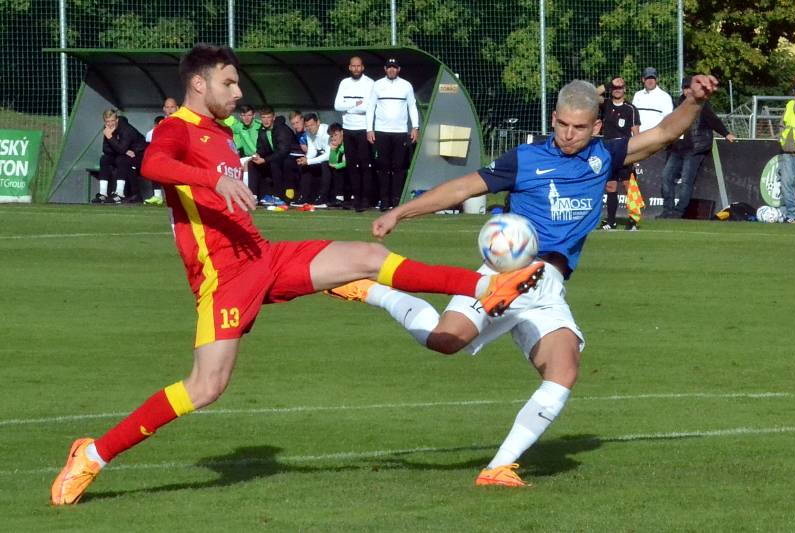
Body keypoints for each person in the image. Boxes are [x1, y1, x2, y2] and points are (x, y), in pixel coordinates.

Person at [50, 43, 545, 506]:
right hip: (224, 279)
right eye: (228, 83)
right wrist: (214, 178)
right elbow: (155, 164)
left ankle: (486, 285)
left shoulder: (221, 132)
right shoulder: (177, 128)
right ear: (199, 85)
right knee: (205, 388)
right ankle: (93, 454)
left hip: (262, 255)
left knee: (369, 255)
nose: (239, 92)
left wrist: (224, 178)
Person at [327, 75, 720, 487]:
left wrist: (694, 100)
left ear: (596, 127)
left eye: (580, 127)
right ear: (554, 118)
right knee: (444, 341)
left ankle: (498, 468)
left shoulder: (605, 156)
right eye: (563, 124)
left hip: (549, 286)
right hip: (506, 276)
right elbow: (463, 186)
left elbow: (663, 133)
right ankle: (377, 292)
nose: (569, 134)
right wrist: (399, 213)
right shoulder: (525, 158)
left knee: (564, 368)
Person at [658, 77, 736, 219]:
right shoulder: (677, 103)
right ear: (682, 89)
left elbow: (713, 120)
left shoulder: (701, 104)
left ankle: (678, 212)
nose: (688, 91)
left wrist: (726, 134)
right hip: (677, 148)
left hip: (695, 147)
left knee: (686, 180)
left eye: (690, 88)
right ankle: (667, 210)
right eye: (685, 88)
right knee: (666, 177)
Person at [365, 58, 419, 211]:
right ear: (385, 69)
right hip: (381, 132)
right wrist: (369, 129)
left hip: (400, 132)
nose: (391, 70)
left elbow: (412, 107)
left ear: (399, 69)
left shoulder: (406, 85)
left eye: (394, 68)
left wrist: (415, 127)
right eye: (389, 68)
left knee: (398, 167)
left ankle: (396, 200)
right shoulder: (378, 85)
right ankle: (384, 200)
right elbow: (371, 107)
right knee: (382, 167)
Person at [597, 77, 640, 230]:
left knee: (629, 185)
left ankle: (633, 221)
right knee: (610, 186)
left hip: (625, 149)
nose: (617, 90)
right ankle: (611, 221)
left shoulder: (631, 108)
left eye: (620, 87)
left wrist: (637, 153)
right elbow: (593, 95)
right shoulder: (606, 104)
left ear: (625, 89)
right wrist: (609, 83)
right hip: (608, 149)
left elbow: (636, 133)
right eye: (615, 88)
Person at [334, 55, 375, 212]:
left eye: (359, 66)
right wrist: (355, 103)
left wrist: (349, 106)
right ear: (349, 67)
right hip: (348, 129)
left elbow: (368, 107)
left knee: (365, 165)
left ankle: (366, 199)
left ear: (362, 67)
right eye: (353, 66)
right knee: (351, 165)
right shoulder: (344, 83)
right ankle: (355, 197)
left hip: (363, 129)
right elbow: (337, 105)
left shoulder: (370, 83)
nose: (356, 68)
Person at [91, 109, 147, 204]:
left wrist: (110, 137)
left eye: (112, 121)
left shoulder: (126, 129)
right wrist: (124, 150)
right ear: (104, 122)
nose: (110, 124)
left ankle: (120, 194)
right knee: (104, 159)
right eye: (107, 122)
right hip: (123, 154)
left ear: (116, 120)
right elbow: (105, 149)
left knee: (122, 159)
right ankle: (103, 194)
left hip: (139, 155)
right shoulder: (107, 129)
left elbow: (121, 149)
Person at [248, 106, 294, 206]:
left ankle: (278, 196)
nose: (266, 120)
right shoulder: (262, 130)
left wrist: (264, 160)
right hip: (274, 158)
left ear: (274, 117)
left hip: (290, 159)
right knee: (252, 163)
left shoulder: (282, 129)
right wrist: (257, 155)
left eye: (268, 117)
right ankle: (254, 196)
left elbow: (283, 151)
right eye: (263, 117)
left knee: (274, 162)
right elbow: (261, 148)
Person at [143, 97, 180, 206]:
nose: (170, 109)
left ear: (177, 108)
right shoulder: (161, 124)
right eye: (167, 107)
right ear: (164, 109)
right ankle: (158, 196)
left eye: (172, 107)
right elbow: (150, 137)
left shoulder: (183, 121)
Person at [296, 113, 332, 208]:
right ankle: (304, 197)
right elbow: (312, 150)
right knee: (304, 166)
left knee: (325, 164)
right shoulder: (308, 132)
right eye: (307, 126)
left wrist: (309, 161)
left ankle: (323, 198)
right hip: (321, 155)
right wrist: (306, 159)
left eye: (312, 125)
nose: (310, 128)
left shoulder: (327, 131)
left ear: (318, 122)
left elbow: (328, 155)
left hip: (333, 157)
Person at [778, 77, 795, 223]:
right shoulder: (790, 105)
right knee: (786, 185)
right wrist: (781, 140)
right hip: (787, 153)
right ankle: (792, 215)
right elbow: (782, 125)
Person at [632, 67, 674, 132]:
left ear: (656, 80)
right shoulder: (637, 95)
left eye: (653, 78)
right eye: (648, 78)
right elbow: (633, 117)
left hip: (657, 138)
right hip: (638, 138)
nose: (650, 81)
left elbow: (668, 120)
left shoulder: (665, 97)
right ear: (643, 79)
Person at [327, 122, 349, 208]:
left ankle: (351, 198)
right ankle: (339, 198)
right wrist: (333, 150)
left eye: (336, 135)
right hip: (344, 164)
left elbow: (348, 161)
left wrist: (337, 166)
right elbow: (332, 162)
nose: (334, 138)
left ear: (342, 132)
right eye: (332, 136)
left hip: (355, 165)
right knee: (335, 170)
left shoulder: (348, 142)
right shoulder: (336, 145)